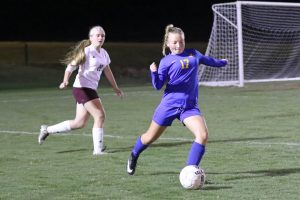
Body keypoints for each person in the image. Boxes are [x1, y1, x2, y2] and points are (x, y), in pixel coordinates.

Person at [127, 24, 227, 175]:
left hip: (189, 107)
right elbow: (158, 85)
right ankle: (134, 154)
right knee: (149, 138)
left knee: (203, 136)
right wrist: (153, 72)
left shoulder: (193, 54)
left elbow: (209, 60)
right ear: (167, 44)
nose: (178, 45)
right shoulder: (166, 61)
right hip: (169, 106)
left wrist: (223, 62)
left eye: (181, 41)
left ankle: (190, 172)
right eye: (174, 42)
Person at [38, 25, 123, 155]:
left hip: (91, 89)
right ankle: (98, 150)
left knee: (79, 123)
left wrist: (115, 87)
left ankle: (47, 130)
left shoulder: (104, 53)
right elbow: (70, 66)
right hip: (81, 88)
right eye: (97, 35)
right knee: (100, 116)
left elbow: (107, 70)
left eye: (103, 35)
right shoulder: (86, 51)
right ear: (91, 38)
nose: (100, 37)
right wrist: (65, 80)